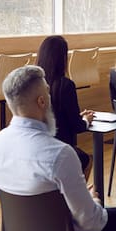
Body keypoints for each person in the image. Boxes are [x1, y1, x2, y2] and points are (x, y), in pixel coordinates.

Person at [0, 65, 116, 231]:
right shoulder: (59, 155)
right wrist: (94, 201)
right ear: (41, 101)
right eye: (47, 92)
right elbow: (91, 221)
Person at [36, 35, 95, 176]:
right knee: (87, 159)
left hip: (37, 149)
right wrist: (86, 120)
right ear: (62, 59)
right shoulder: (66, 85)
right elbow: (77, 126)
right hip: (61, 150)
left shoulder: (33, 83)